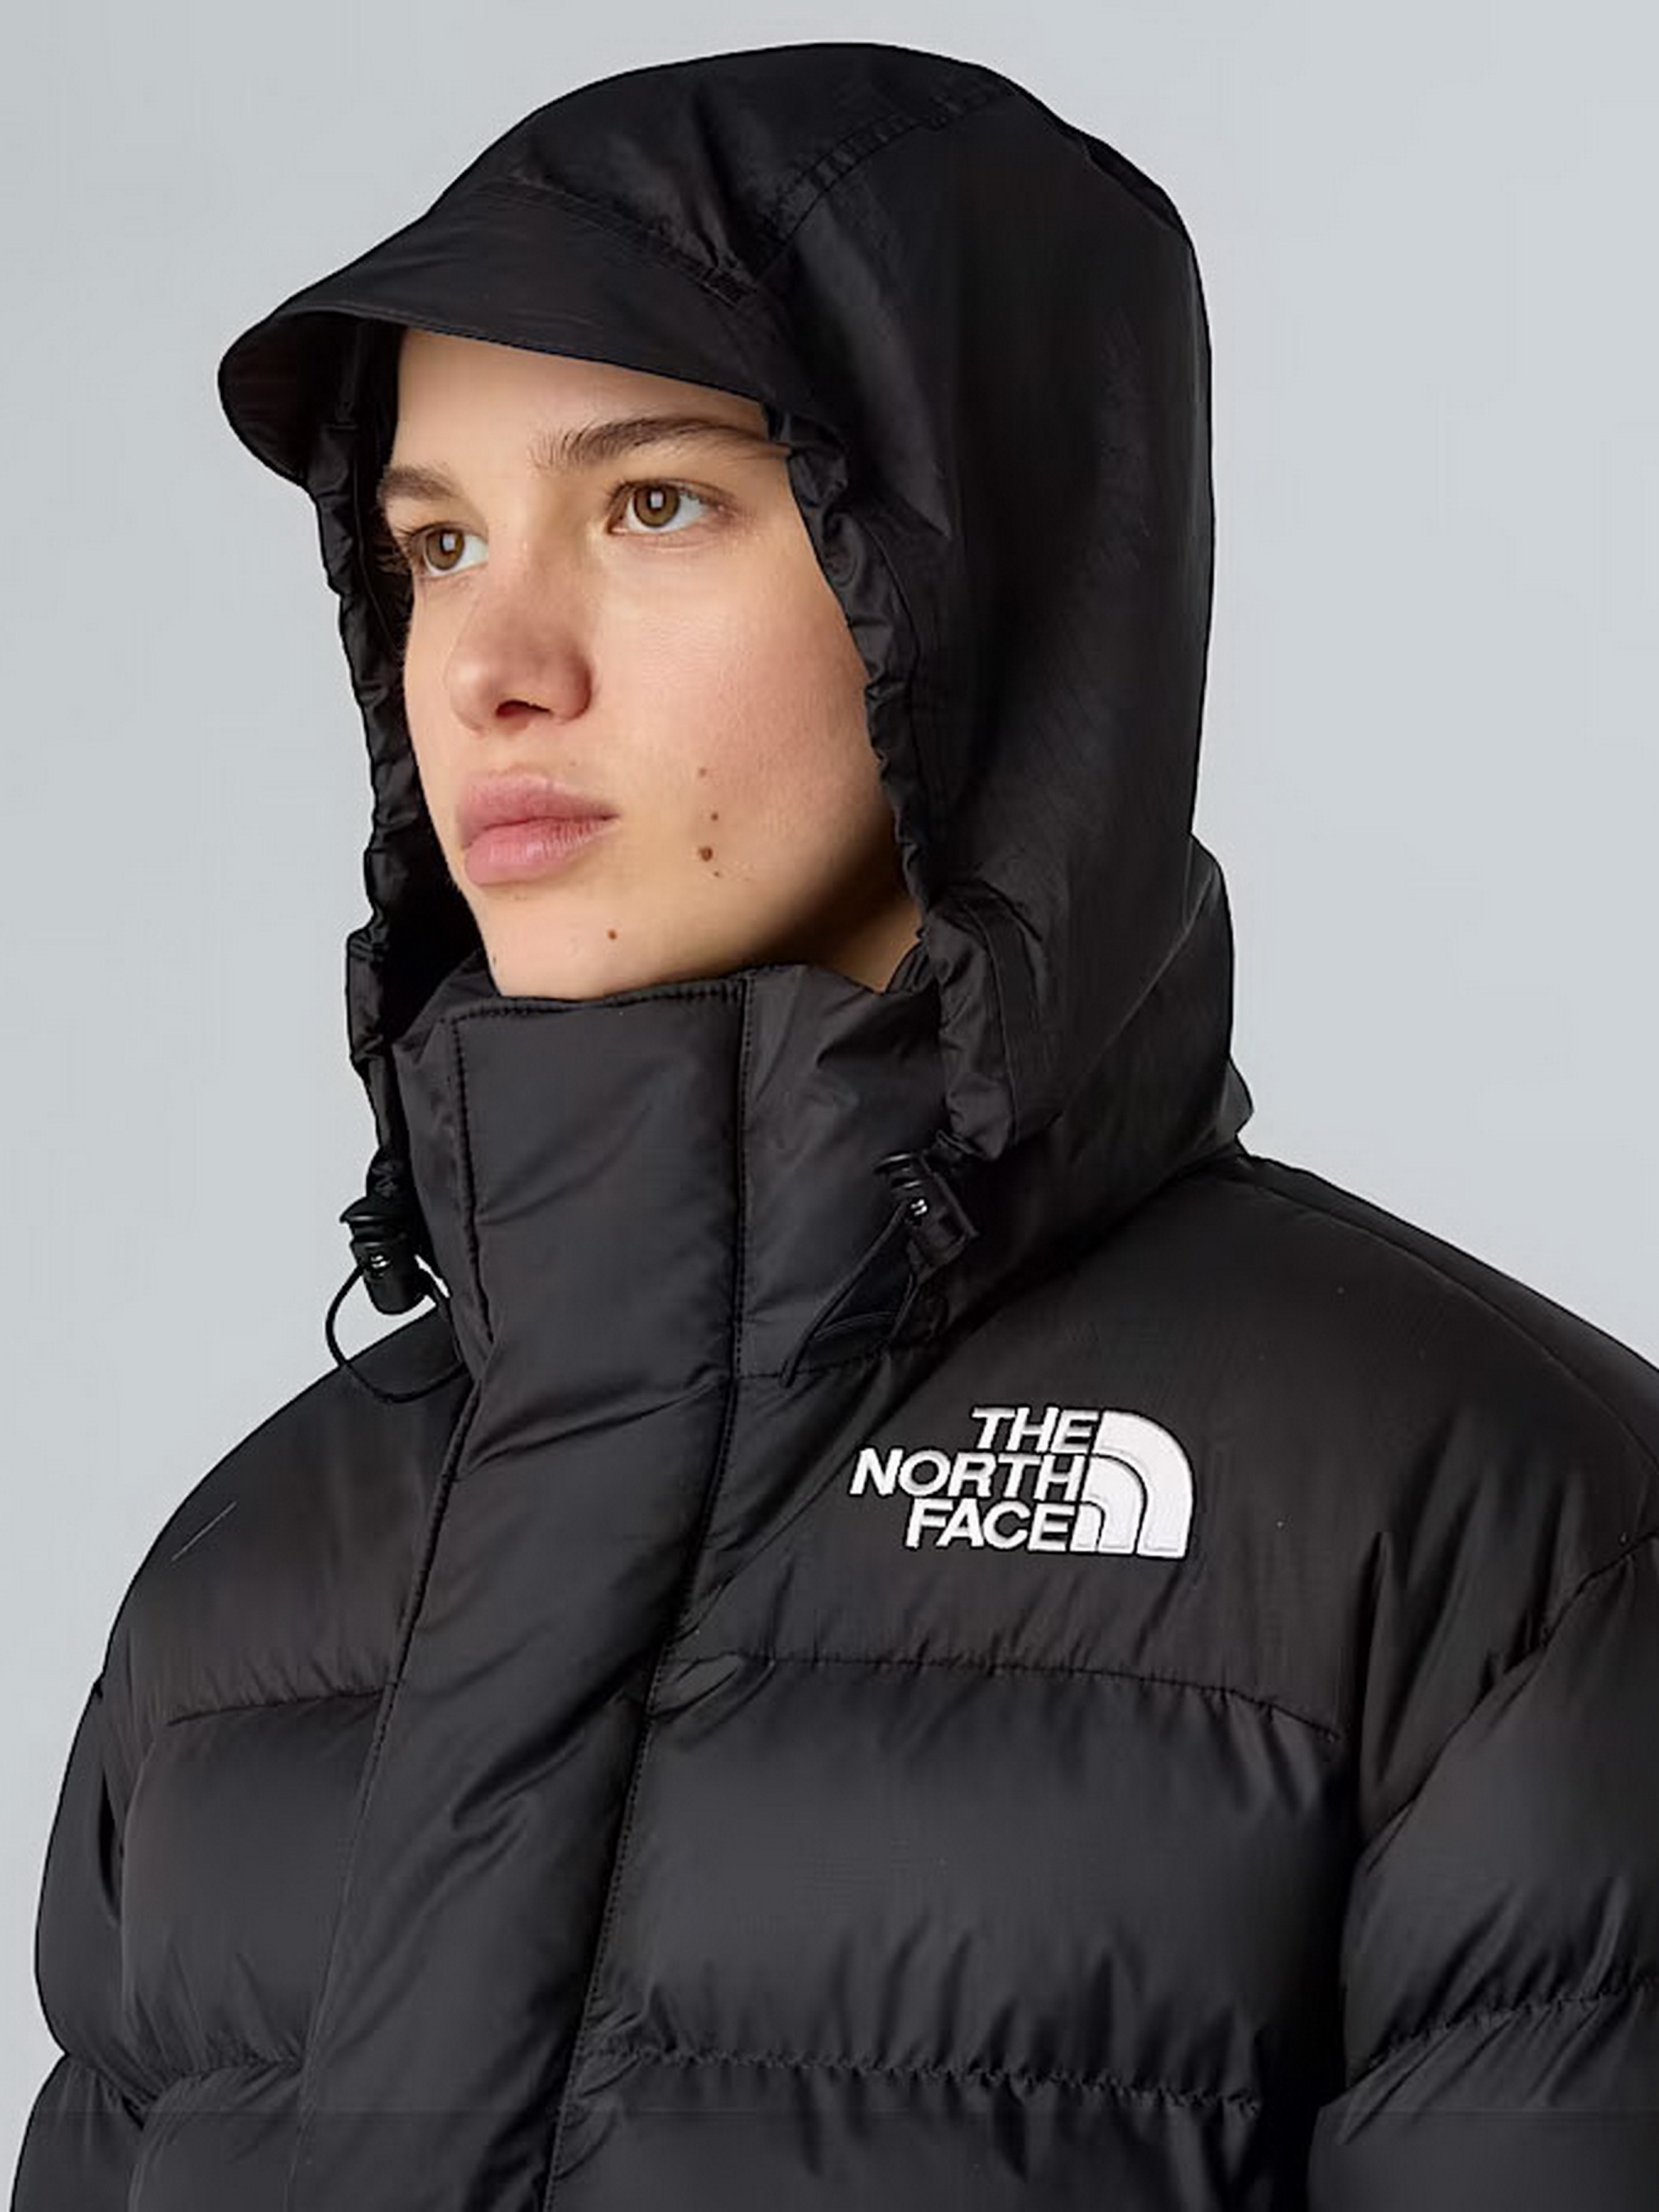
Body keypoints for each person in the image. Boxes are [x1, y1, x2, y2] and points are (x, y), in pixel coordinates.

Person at [11, 38, 1657, 2212]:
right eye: (436, 542)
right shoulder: (238, 1608)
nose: (491, 664)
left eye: (653, 504)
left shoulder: (1491, 1545)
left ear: (981, 575)